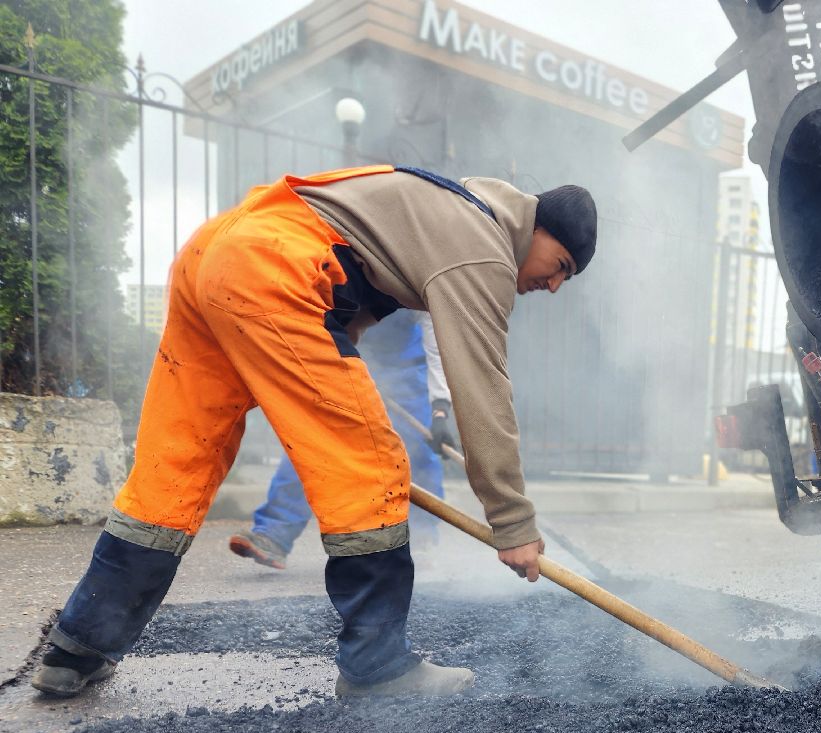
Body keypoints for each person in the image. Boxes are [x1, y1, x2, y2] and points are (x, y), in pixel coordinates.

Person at [31, 164, 597, 700]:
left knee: (176, 467)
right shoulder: (486, 246)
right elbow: (483, 390)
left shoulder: (449, 207)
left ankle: (78, 647)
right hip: (273, 272)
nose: (554, 285)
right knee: (371, 469)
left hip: (216, 254)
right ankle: (377, 667)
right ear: (537, 227)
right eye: (563, 265)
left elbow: (352, 281)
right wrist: (512, 523)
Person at [228, 310, 454, 569]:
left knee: (416, 455)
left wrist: (439, 410)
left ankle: (419, 540)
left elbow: (438, 348)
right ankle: (273, 535)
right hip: (341, 360)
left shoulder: (420, 286)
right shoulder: (338, 274)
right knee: (311, 444)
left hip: (407, 372)